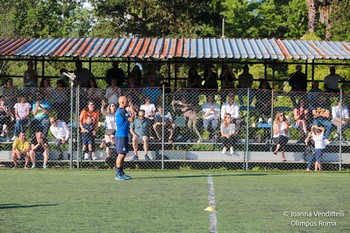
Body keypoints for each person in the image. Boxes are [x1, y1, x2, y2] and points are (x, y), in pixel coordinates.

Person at [114, 96, 135, 181]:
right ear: (122, 102)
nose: (127, 102)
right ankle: (118, 174)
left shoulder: (123, 110)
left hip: (124, 135)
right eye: (126, 100)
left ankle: (121, 172)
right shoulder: (121, 110)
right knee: (121, 154)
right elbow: (131, 119)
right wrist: (132, 110)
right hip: (121, 136)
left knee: (123, 154)